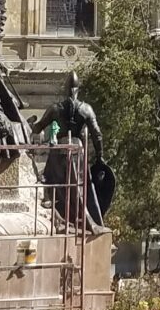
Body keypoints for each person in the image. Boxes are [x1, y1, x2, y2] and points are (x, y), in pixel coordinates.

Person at [33, 71, 111, 231]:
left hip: (59, 150)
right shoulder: (86, 109)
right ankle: (76, 221)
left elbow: (38, 126)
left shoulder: (55, 109)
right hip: (77, 150)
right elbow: (97, 135)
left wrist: (33, 130)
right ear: (78, 90)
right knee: (81, 187)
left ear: (65, 89)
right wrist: (99, 156)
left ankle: (64, 219)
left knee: (55, 185)